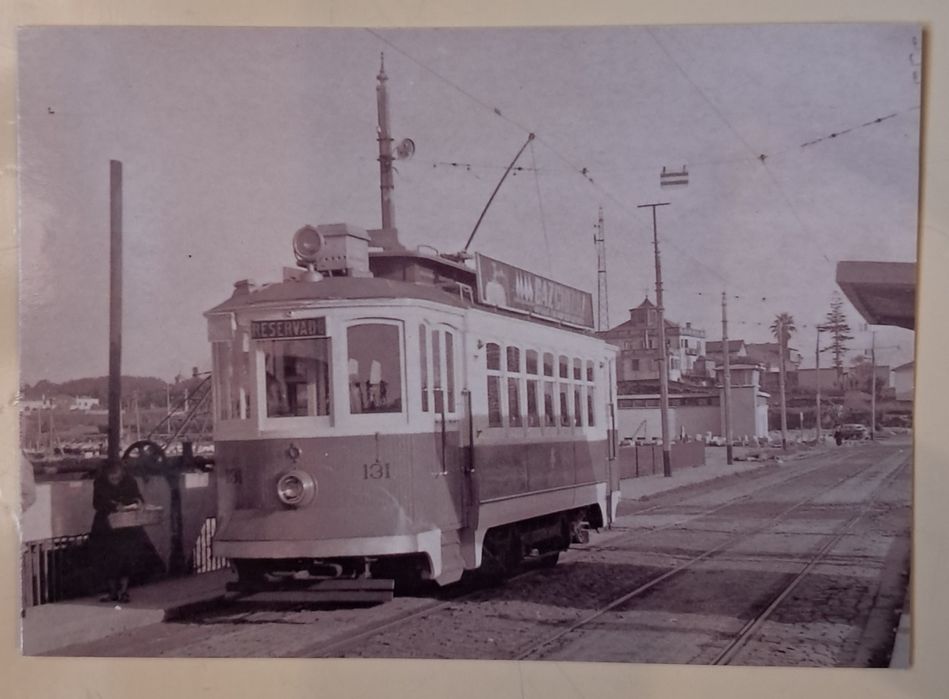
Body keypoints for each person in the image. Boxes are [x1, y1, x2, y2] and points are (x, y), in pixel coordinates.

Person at [89, 461, 145, 603]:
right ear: (106, 475)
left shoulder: (130, 481)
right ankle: (112, 591)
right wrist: (113, 506)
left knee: (126, 558)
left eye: (118, 478)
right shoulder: (99, 483)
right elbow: (96, 503)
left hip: (126, 525)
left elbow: (138, 497)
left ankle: (124, 591)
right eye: (112, 478)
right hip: (106, 525)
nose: (115, 481)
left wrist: (137, 502)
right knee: (107, 558)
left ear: (122, 474)